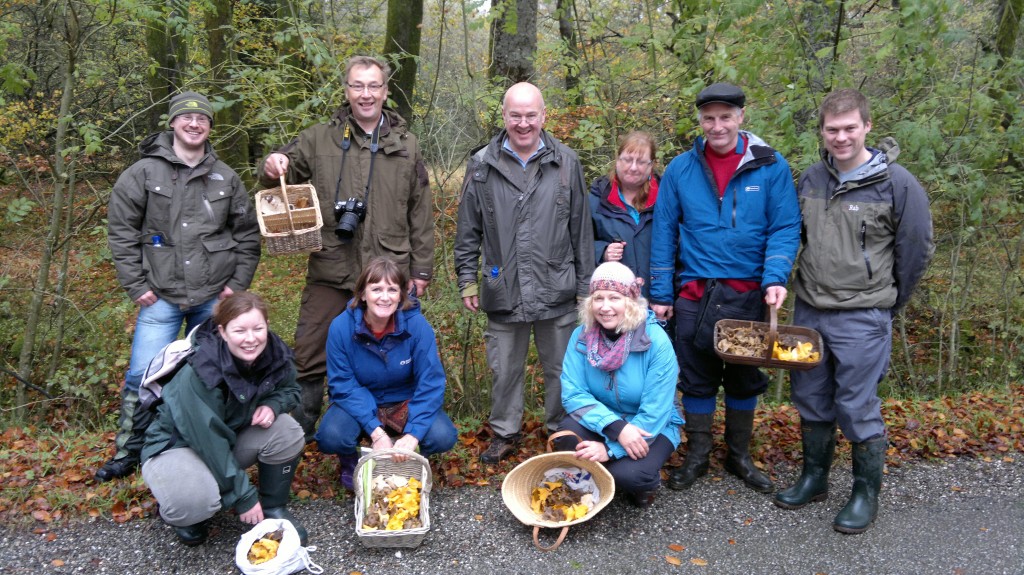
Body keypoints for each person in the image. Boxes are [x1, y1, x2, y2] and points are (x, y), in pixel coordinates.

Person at [773, 89, 934, 534]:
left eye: (849, 128)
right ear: (822, 132)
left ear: (867, 126)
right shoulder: (810, 179)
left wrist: (888, 303)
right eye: (832, 129)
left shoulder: (898, 184)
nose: (841, 137)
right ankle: (815, 478)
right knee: (810, 398)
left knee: (857, 405)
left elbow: (915, 251)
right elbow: (793, 236)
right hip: (809, 310)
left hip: (863, 316)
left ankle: (865, 494)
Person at [258, 55, 434, 441]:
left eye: (374, 86)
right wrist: (272, 167)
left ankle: (398, 431)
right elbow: (278, 173)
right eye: (358, 85)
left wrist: (421, 271)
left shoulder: (407, 145)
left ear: (386, 91)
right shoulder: (318, 138)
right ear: (347, 90)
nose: (366, 94)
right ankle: (299, 434)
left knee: (393, 351)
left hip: (389, 272)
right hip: (331, 266)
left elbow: (420, 211)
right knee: (309, 351)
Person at [99, 91, 261, 482]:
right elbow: (121, 232)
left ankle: (209, 445)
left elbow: (247, 235)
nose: (194, 124)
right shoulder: (142, 174)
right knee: (143, 376)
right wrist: (135, 284)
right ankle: (129, 452)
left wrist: (236, 286)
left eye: (202, 119)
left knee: (216, 374)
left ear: (209, 127)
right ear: (172, 123)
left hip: (212, 298)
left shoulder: (225, 176)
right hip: (160, 296)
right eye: (186, 119)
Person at [650, 83, 801, 493]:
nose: (717, 126)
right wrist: (662, 294)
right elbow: (663, 231)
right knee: (696, 378)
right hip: (694, 293)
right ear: (700, 121)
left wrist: (775, 277)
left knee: (742, 378)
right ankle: (698, 455)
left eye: (725, 117)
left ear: (741, 117)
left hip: (748, 293)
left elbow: (785, 226)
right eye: (709, 118)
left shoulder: (770, 167)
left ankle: (739, 455)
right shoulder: (681, 168)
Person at [454, 82, 595, 464]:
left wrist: (586, 288)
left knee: (561, 369)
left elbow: (581, 230)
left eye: (531, 115)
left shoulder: (566, 162)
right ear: (504, 116)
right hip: (503, 286)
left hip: (557, 285)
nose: (523, 123)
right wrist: (467, 278)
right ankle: (505, 431)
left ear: (544, 116)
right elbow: (468, 228)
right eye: (515, 114)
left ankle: (561, 429)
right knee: (504, 370)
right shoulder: (481, 164)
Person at [140, 292, 307, 546]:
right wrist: (243, 497)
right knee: (197, 502)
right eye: (240, 330)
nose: (251, 339)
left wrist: (273, 405)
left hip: (226, 436)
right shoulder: (201, 370)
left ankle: (273, 508)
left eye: (258, 329)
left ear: (266, 327)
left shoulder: (274, 353)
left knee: (287, 430)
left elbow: (291, 389)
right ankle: (183, 512)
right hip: (175, 446)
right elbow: (209, 440)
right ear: (223, 331)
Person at [315, 256, 457, 489]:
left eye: (392, 289)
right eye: (376, 289)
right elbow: (342, 384)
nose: (384, 296)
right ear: (362, 294)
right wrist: (376, 432)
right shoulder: (341, 327)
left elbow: (430, 382)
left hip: (405, 401)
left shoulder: (417, 326)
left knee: (443, 436)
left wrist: (413, 435)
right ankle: (352, 462)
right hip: (360, 400)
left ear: (401, 296)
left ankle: (413, 459)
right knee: (331, 436)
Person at [553, 262, 683, 507]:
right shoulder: (581, 336)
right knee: (566, 438)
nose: (605, 307)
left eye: (614, 297)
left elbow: (656, 411)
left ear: (631, 301)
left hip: (652, 425)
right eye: (598, 298)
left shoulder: (655, 341)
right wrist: (616, 429)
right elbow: (573, 393)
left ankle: (641, 479)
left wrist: (610, 450)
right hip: (605, 418)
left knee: (631, 475)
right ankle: (599, 473)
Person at [589, 131, 659, 299]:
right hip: (612, 300)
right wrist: (602, 251)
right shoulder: (596, 200)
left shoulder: (667, 198)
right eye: (627, 160)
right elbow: (579, 245)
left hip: (657, 297)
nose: (633, 167)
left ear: (651, 165)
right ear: (617, 160)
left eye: (641, 162)